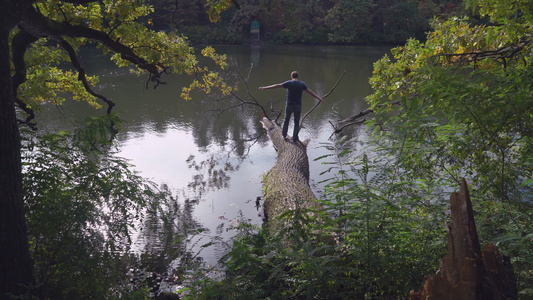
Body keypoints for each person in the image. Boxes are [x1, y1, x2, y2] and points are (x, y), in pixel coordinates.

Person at [259, 71, 323, 142]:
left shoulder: (289, 83)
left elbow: (276, 85)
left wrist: (265, 88)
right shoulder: (302, 84)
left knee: (286, 120)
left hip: (289, 105)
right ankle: (295, 138)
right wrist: (319, 98)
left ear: (291, 77)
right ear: (297, 77)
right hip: (298, 106)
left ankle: (284, 136)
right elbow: (310, 92)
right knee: (296, 122)